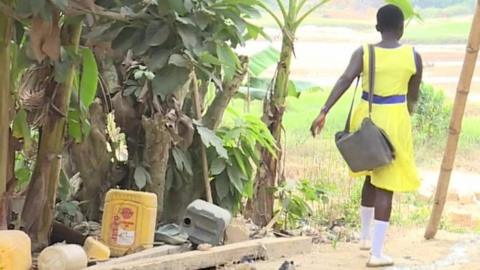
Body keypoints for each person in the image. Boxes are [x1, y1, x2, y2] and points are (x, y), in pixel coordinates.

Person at [310, 4, 423, 267]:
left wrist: (324, 110)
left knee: (371, 175)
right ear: (402, 27)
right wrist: (407, 113)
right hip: (395, 119)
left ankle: (364, 237)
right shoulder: (413, 56)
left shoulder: (364, 52)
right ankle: (377, 253)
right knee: (387, 183)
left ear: (377, 27)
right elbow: (413, 95)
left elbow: (344, 79)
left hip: (367, 118)